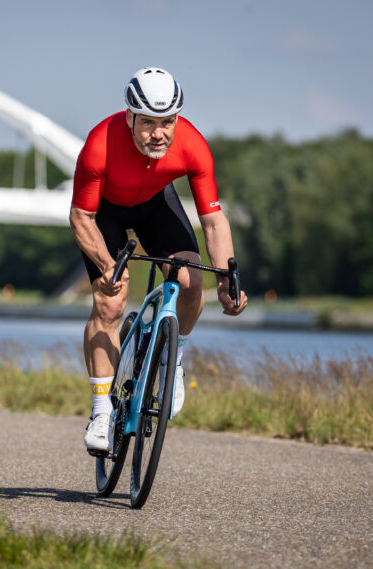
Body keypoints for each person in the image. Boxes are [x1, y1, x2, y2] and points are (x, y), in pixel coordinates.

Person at [69, 67, 248, 454]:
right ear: (130, 116)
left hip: (155, 206)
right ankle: (102, 413)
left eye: (167, 122)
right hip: (106, 213)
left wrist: (227, 280)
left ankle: (173, 359)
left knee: (191, 281)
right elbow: (80, 217)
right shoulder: (100, 143)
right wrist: (105, 266)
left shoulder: (193, 145)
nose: (159, 133)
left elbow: (214, 222)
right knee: (111, 302)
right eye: (148, 123)